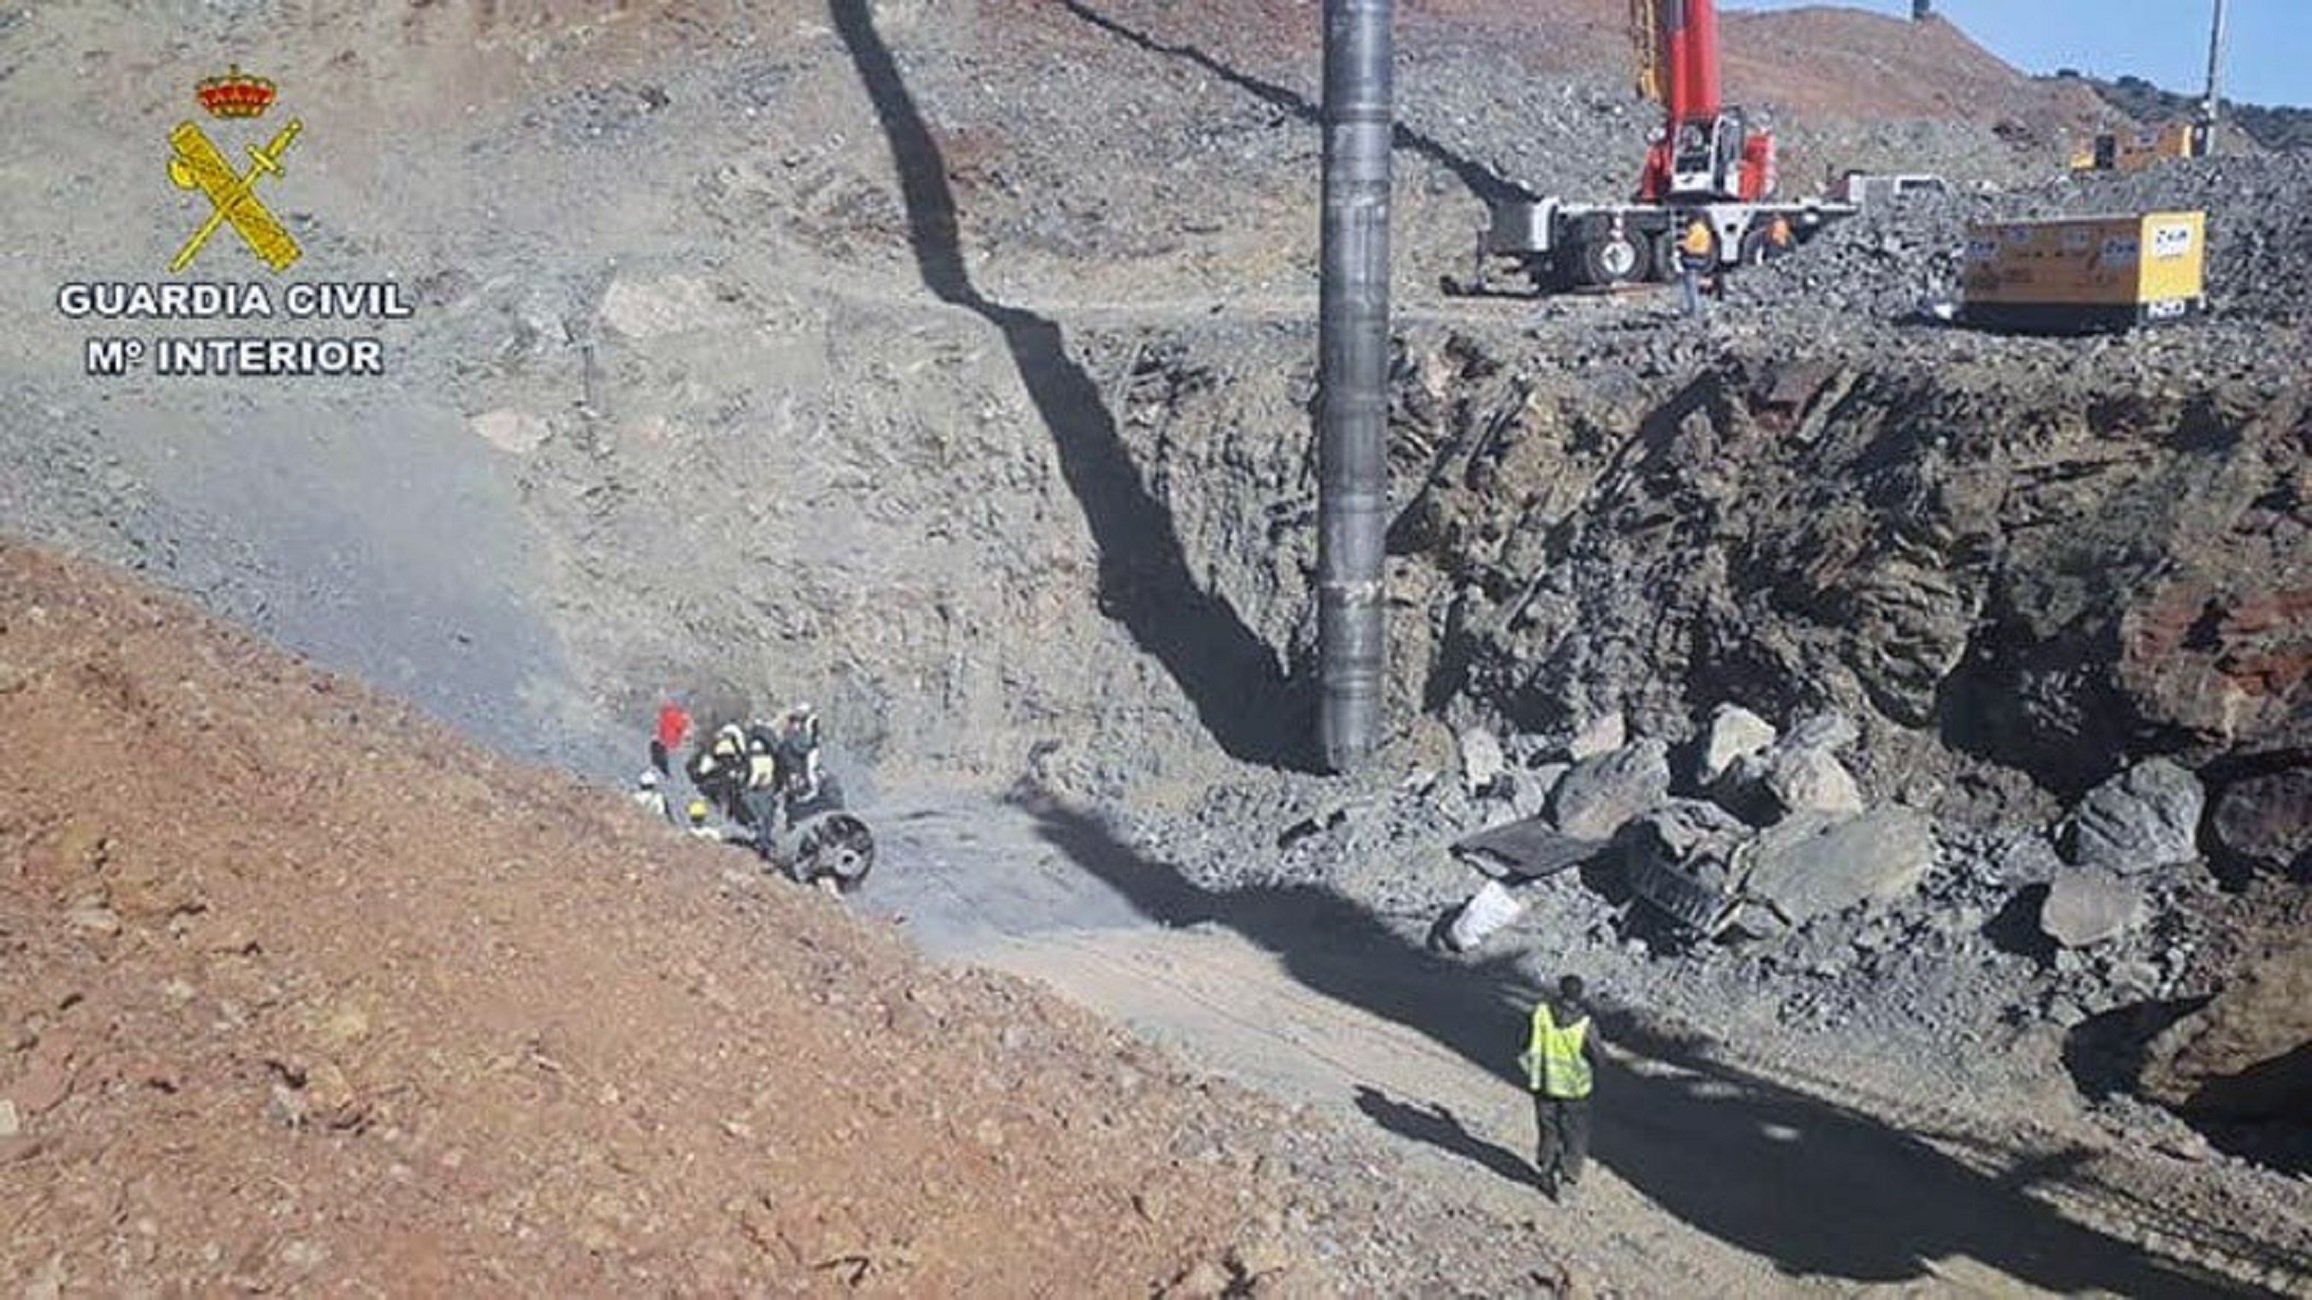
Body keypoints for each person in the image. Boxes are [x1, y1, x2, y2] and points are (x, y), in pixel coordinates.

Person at [1521, 974, 1602, 1203]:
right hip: (1574, 1088)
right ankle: (1568, 1179)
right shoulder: (1585, 1024)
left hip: (1544, 1082)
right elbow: (1598, 1055)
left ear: (1560, 990)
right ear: (1580, 994)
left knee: (1548, 1128)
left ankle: (1546, 1170)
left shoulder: (1541, 1013)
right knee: (1574, 1134)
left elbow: (1527, 1041)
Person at [1677, 216, 1714, 318]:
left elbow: (1689, 245)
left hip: (1693, 260)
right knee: (1698, 288)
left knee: (1691, 288)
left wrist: (1681, 244)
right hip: (1701, 260)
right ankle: (1699, 311)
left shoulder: (1696, 229)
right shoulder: (1705, 230)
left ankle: (1694, 312)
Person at [652, 696, 691, 777]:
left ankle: (662, 771)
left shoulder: (664, 713)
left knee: (662, 758)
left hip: (666, 743)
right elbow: (683, 727)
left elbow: (659, 726)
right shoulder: (680, 715)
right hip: (672, 743)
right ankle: (665, 772)